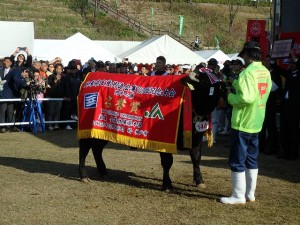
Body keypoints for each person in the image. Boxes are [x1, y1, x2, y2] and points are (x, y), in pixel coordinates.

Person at [220, 41, 272, 204]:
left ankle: (238, 195)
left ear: (247, 55)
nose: (243, 58)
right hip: (256, 120)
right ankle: (250, 194)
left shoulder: (246, 73)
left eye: (243, 55)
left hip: (242, 121)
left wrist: (229, 97)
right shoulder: (264, 71)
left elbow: (246, 97)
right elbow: (259, 92)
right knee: (251, 158)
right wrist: (235, 84)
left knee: (237, 159)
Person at [0, 68, 30, 133]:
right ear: (24, 71)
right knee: (2, 110)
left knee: (10, 111)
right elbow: (16, 79)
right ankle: (2, 127)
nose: (25, 77)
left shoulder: (19, 76)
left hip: (11, 95)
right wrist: (25, 83)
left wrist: (28, 86)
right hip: (4, 94)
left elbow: (18, 85)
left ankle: (11, 126)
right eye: (25, 75)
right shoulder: (17, 71)